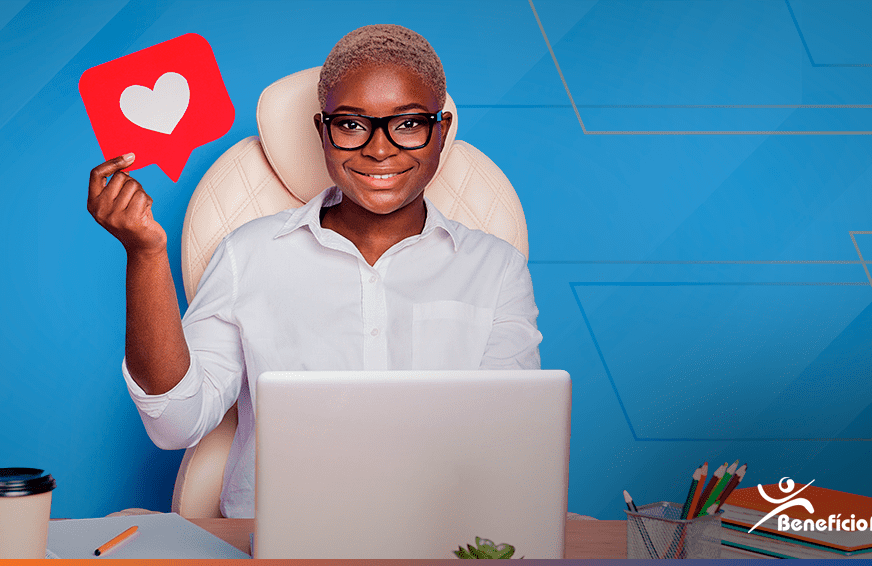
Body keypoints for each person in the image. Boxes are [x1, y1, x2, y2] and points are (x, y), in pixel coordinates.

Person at [86, 24, 542, 518]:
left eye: (408, 123)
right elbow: (174, 424)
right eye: (351, 124)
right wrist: (145, 254)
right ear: (322, 132)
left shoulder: (496, 269)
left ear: (442, 130)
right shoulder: (250, 253)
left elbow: (509, 442)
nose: (380, 149)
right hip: (275, 533)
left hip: (438, 532)